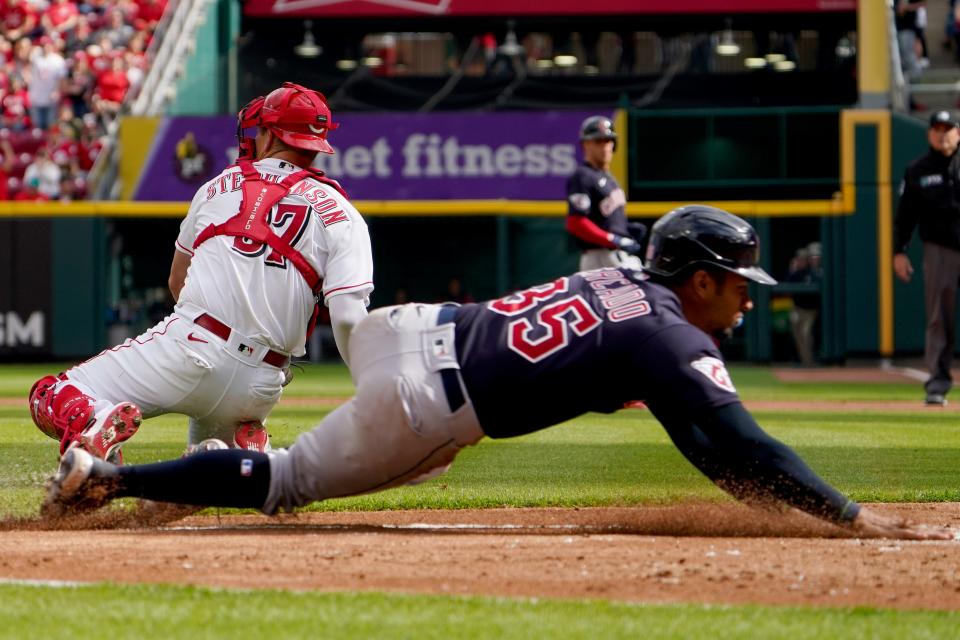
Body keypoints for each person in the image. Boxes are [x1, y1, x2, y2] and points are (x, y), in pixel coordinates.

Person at [43, 206, 950, 540]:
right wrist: (848, 518)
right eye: (739, 286)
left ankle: (214, 428)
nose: (746, 302)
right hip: (432, 397)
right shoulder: (673, 338)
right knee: (287, 481)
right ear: (700, 279)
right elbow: (735, 438)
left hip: (414, 328)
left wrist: (758, 502)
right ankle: (109, 477)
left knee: (362, 447)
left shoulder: (624, 285)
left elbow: (708, 445)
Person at [28, 81, 374, 464]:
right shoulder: (343, 214)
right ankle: (248, 455)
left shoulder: (215, 187)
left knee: (52, 392)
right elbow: (347, 317)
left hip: (191, 347)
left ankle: (95, 419)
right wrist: (371, 382)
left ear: (268, 134)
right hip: (262, 380)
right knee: (203, 472)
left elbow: (178, 282)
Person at [893, 109, 960, 406]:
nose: (943, 133)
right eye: (938, 128)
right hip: (940, 248)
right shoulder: (918, 169)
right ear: (929, 133)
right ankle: (938, 382)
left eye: (949, 128)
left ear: (958, 133)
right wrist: (899, 251)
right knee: (938, 317)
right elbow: (905, 215)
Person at [565, 115, 646, 272]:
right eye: (598, 141)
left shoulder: (609, 178)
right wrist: (612, 238)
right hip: (599, 256)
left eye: (608, 141)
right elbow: (575, 222)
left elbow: (603, 219)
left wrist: (624, 229)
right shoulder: (582, 176)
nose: (604, 146)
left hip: (616, 253)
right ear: (585, 144)